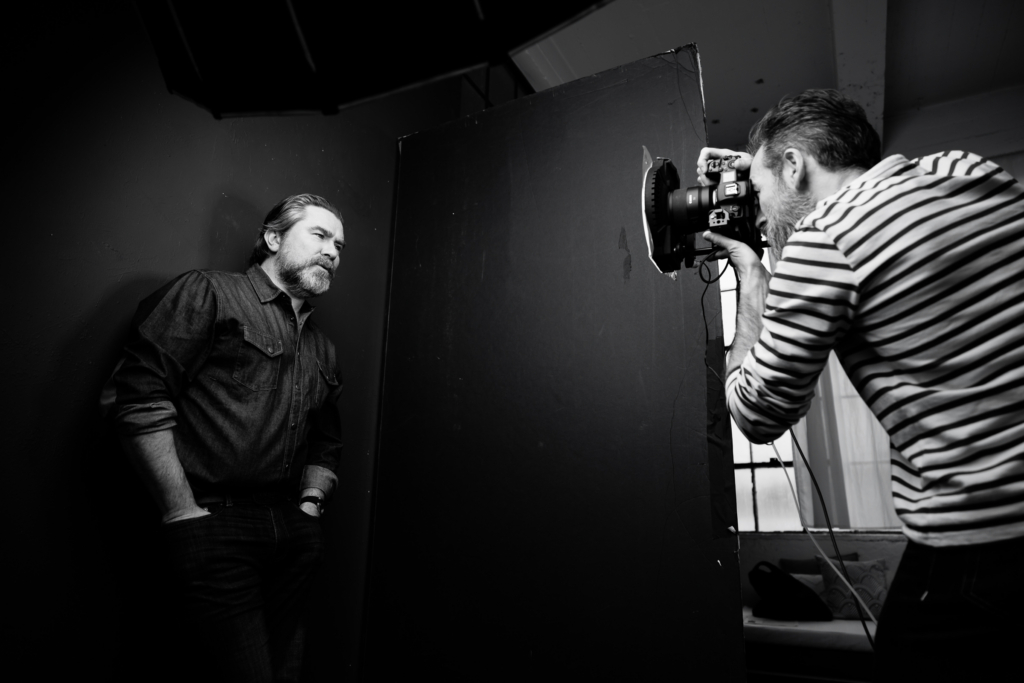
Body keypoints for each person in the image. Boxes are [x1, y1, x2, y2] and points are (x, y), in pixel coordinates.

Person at [699, 89, 1024, 680]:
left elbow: (756, 412)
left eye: (763, 191)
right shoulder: (969, 171)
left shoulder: (824, 241)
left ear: (795, 166)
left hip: (979, 543)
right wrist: (759, 167)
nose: (763, 216)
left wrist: (752, 270)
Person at [102, 193, 346, 682]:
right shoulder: (210, 292)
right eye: (319, 235)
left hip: (291, 533)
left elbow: (327, 441)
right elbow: (135, 395)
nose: (333, 252)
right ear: (274, 238)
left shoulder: (323, 346)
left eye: (340, 245)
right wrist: (180, 510)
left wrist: (311, 507)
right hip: (213, 522)